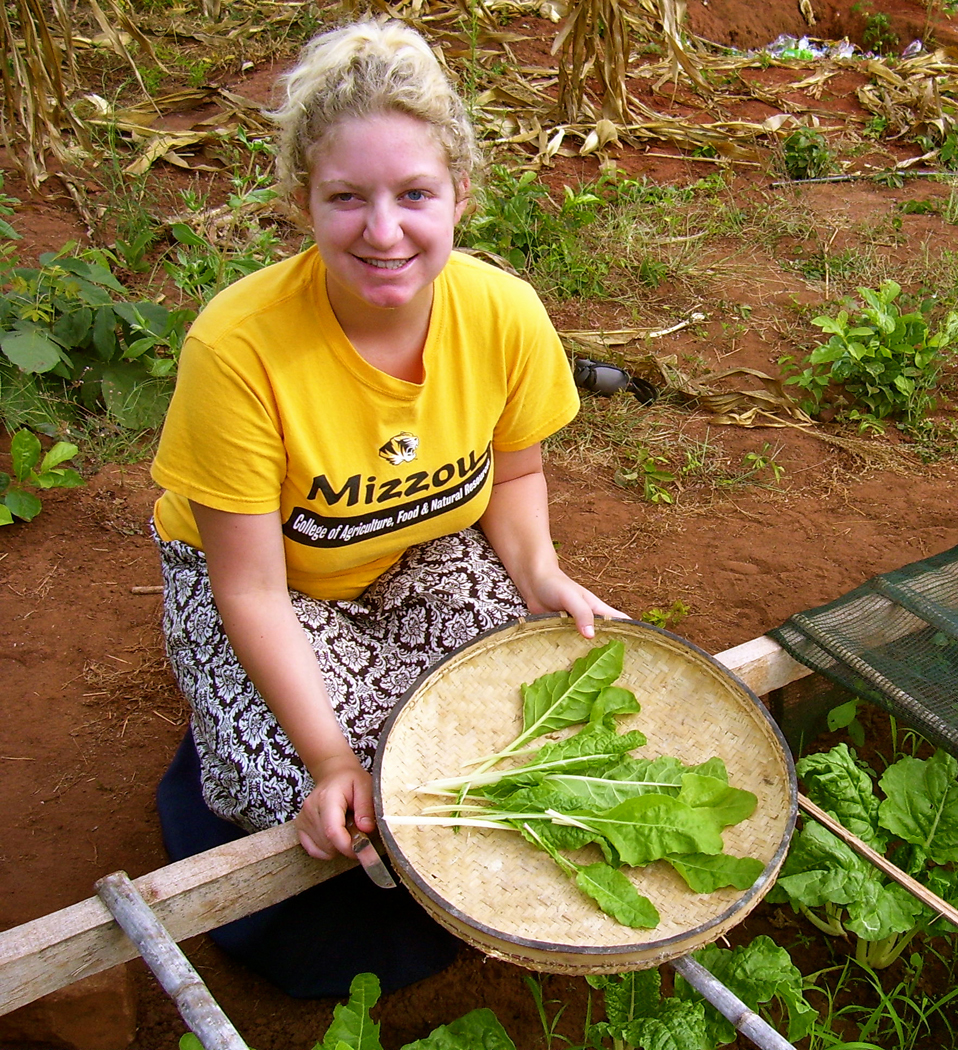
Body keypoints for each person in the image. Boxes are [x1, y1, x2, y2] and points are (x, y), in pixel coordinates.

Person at [148, 16, 621, 995]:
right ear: (302, 203)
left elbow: (517, 473)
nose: (383, 230)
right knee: (355, 812)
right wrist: (325, 757)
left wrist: (536, 572)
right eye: (346, 198)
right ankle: (223, 759)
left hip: (421, 551)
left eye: (413, 194)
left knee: (506, 738)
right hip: (260, 586)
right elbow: (250, 590)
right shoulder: (238, 350)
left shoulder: (503, 315)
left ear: (459, 194)